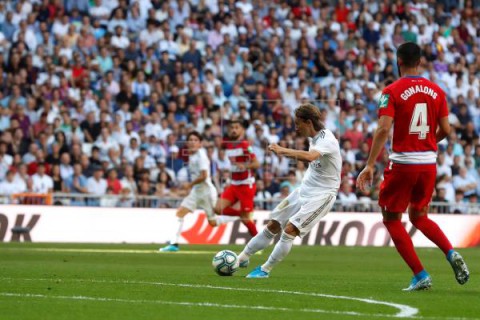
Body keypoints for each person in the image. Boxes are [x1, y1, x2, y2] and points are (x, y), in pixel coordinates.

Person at [356, 42, 469, 291]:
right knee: (419, 216)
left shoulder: (391, 91)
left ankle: (420, 274)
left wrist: (370, 164)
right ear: (420, 62)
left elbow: (384, 128)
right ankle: (451, 253)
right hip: (428, 163)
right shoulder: (437, 91)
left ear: (399, 61)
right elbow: (447, 130)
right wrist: (428, 142)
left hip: (404, 162)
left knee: (391, 218)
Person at [237, 103, 341, 278]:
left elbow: (310, 157)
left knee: (290, 230)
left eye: (298, 123)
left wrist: (281, 150)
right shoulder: (314, 139)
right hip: (304, 190)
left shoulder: (327, 139)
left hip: (322, 195)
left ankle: (265, 269)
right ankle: (242, 257)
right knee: (273, 225)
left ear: (308, 122)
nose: (296, 127)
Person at [160, 131, 218, 252]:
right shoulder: (192, 155)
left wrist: (189, 185)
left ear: (200, 143)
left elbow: (204, 175)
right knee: (180, 213)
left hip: (206, 192)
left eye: (195, 140)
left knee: (213, 222)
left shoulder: (202, 156)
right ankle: (174, 244)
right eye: (190, 140)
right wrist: (191, 187)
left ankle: (238, 216)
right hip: (197, 191)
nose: (192, 142)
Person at [213, 119, 260, 237]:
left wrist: (244, 165)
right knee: (218, 209)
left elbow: (256, 164)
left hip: (246, 185)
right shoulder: (227, 144)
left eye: (236, 127)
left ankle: (259, 243)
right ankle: (242, 214)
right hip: (234, 185)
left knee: (246, 219)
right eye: (231, 128)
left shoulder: (245, 145)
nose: (233, 130)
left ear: (242, 130)